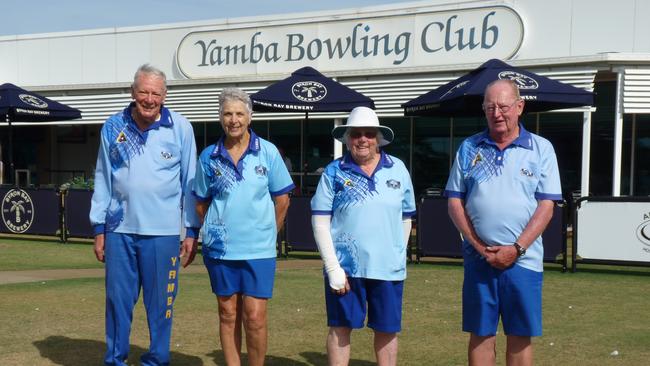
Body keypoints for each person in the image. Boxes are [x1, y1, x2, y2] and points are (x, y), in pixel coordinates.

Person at [444, 79, 562, 366]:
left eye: (504, 106)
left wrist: (517, 248)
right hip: (478, 259)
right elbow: (454, 202)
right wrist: (479, 246)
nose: (497, 113)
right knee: (481, 334)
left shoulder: (541, 148)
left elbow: (546, 207)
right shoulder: (469, 147)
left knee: (520, 336)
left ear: (519, 107)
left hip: (524, 261)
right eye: (490, 107)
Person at [89, 64, 200, 366]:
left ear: (164, 95)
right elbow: (103, 177)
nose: (149, 99)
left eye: (155, 93)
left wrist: (190, 231)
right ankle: (115, 360)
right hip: (118, 230)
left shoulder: (181, 128)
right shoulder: (113, 126)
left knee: (161, 305)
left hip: (163, 235)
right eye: (143, 92)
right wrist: (99, 228)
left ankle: (156, 360)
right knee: (118, 303)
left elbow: (190, 183)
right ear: (132, 92)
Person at [194, 87, 294, 366]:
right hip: (221, 251)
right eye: (228, 113)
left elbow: (283, 200)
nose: (234, 120)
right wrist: (215, 231)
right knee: (227, 313)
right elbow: (200, 203)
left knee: (255, 317)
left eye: (239, 113)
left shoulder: (268, 153)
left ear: (250, 117)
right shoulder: (208, 157)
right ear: (220, 118)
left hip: (258, 250)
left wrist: (268, 234)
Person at [311, 106, 416, 366]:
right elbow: (320, 222)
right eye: (356, 133)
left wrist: (398, 254)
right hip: (346, 268)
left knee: (387, 330)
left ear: (378, 137)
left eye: (369, 134)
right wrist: (333, 267)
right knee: (340, 328)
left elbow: (406, 217)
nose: (362, 139)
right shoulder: (333, 172)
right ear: (347, 138)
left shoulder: (398, 169)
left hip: (387, 269)